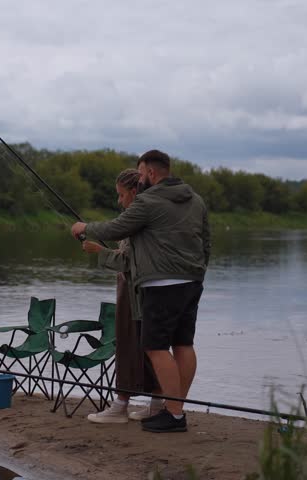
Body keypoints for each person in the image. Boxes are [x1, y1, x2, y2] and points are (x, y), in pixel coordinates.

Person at [71, 149, 210, 433]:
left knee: (155, 347)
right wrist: (198, 270)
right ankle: (175, 410)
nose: (140, 177)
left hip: (161, 285)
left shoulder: (148, 200)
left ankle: (172, 415)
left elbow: (115, 228)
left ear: (150, 172)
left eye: (141, 171)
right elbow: (206, 241)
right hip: (192, 282)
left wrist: (84, 227)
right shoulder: (196, 200)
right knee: (183, 344)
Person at [83, 168, 163, 424]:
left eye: (120, 195)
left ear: (132, 191)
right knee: (149, 346)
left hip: (134, 292)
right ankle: (156, 402)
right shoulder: (150, 215)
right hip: (144, 291)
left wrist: (99, 251)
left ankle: (121, 405)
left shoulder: (137, 217)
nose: (119, 201)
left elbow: (129, 262)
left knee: (131, 345)